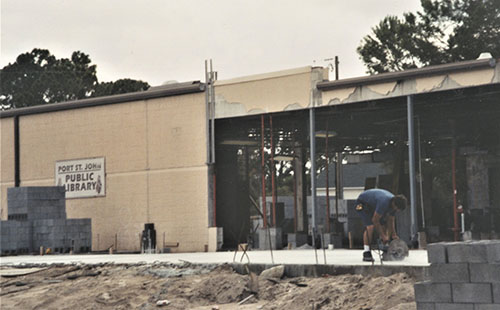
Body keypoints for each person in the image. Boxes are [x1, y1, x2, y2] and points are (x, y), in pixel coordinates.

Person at [355, 188, 407, 262]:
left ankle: (385, 248)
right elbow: (375, 220)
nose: (397, 211)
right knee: (370, 226)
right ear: (394, 205)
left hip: (373, 205)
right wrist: (383, 236)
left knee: (383, 224)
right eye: (397, 209)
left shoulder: (394, 205)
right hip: (361, 204)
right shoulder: (384, 202)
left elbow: (391, 220)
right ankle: (366, 252)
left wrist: (394, 235)